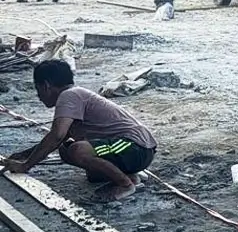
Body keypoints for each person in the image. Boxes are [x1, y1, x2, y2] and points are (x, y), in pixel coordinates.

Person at [3, 60, 158, 202]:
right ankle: (130, 176)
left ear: (46, 86)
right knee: (67, 150)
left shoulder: (69, 96)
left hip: (136, 147)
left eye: (38, 90)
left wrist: (26, 166)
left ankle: (125, 185)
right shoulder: (74, 95)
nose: (38, 96)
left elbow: (57, 135)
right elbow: (60, 139)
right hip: (133, 149)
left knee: (78, 150)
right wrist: (23, 156)